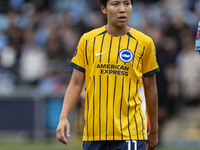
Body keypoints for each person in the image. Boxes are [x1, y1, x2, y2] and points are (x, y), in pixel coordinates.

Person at [56, 0, 159, 150]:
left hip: (131, 134)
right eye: (115, 4)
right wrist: (63, 117)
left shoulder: (144, 43)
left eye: (127, 4)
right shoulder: (88, 40)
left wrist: (154, 130)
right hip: (94, 134)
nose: (122, 9)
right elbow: (76, 83)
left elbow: (151, 89)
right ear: (103, 8)